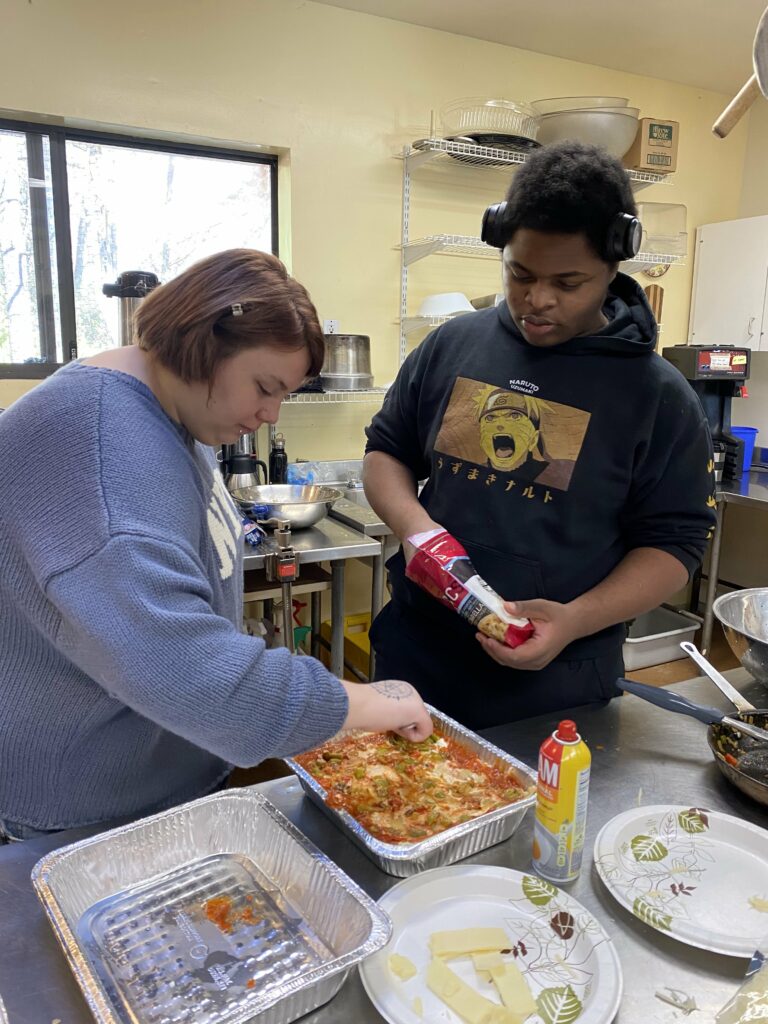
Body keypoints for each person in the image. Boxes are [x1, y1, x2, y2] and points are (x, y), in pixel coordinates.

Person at [0, 248, 431, 841]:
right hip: (84, 806)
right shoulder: (105, 458)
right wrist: (370, 705)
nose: (269, 413)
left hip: (156, 774)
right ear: (203, 341)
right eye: (264, 386)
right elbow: (189, 671)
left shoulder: (171, 406)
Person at [364, 142, 716, 730]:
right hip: (418, 651)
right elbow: (387, 452)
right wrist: (415, 529)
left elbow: (675, 545)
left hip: (557, 684)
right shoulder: (453, 346)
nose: (538, 300)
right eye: (520, 274)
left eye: (568, 281)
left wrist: (575, 619)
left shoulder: (658, 397)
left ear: (613, 266)